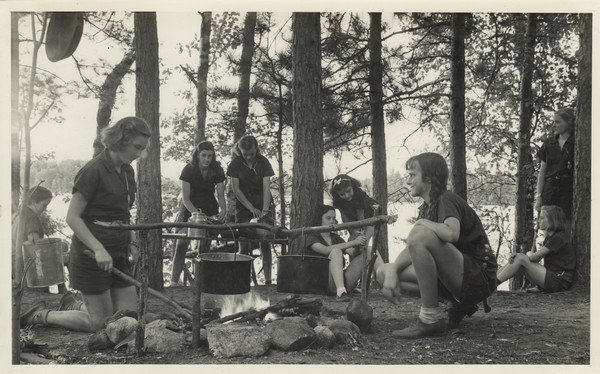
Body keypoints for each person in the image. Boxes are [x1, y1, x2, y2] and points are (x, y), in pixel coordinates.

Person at [20, 117, 152, 332]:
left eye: (143, 149)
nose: (140, 153)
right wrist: (98, 249)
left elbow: (124, 212)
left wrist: (133, 242)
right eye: (137, 147)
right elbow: (72, 217)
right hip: (92, 256)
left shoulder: (128, 171)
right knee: (101, 324)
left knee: (129, 319)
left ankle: (73, 304)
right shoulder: (93, 170)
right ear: (122, 139)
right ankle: (42, 315)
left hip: (117, 253)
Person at [377, 152, 497, 338]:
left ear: (429, 178)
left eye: (412, 175)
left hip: (478, 277)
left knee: (419, 233)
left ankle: (430, 319)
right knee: (384, 271)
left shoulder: (446, 199)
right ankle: (455, 305)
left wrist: (420, 225)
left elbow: (451, 233)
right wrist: (392, 271)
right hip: (457, 276)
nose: (408, 181)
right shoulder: (426, 208)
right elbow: (414, 247)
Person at [170, 141, 227, 286]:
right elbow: (186, 198)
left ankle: (200, 281)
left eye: (210, 155)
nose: (207, 159)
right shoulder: (189, 169)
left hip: (209, 206)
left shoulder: (217, 169)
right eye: (204, 155)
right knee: (182, 241)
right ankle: (174, 282)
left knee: (205, 242)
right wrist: (197, 215)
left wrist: (223, 210)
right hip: (190, 207)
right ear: (198, 155)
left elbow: (220, 195)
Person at [226, 135, 275, 284]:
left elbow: (266, 187)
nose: (248, 157)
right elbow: (236, 190)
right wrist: (251, 208)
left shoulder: (263, 162)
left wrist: (265, 211)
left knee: (265, 241)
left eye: (251, 154)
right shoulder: (235, 164)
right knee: (243, 242)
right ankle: (242, 279)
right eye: (244, 154)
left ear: (257, 149)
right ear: (239, 151)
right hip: (243, 206)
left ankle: (267, 280)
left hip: (263, 203)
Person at [497, 205, 576, 292]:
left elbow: (533, 257)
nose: (539, 221)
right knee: (518, 258)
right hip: (553, 278)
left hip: (559, 280)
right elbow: (535, 259)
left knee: (520, 258)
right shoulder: (551, 238)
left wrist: (528, 253)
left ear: (552, 220)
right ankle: (490, 282)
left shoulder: (558, 238)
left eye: (542, 218)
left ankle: (490, 286)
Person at [305, 205, 368, 300]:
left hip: (340, 281)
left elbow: (352, 253)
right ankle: (341, 292)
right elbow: (325, 250)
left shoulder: (335, 238)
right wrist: (353, 242)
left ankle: (389, 285)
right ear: (319, 219)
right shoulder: (312, 236)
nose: (331, 221)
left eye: (334, 218)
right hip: (321, 284)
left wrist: (358, 244)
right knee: (336, 252)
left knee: (369, 252)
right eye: (328, 218)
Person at [12, 186, 68, 293]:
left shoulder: (19, 213)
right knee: (62, 249)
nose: (45, 209)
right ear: (33, 201)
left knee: (62, 247)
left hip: (16, 260)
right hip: (27, 264)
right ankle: (62, 289)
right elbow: (35, 244)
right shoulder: (32, 217)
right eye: (44, 205)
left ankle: (62, 288)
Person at [330, 174, 385, 270]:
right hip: (353, 216)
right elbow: (345, 218)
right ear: (337, 194)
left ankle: (367, 269)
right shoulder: (338, 200)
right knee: (352, 242)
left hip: (369, 217)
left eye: (348, 191)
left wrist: (360, 234)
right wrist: (353, 233)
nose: (346, 195)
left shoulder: (359, 195)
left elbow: (361, 218)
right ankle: (355, 270)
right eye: (342, 194)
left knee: (363, 242)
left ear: (353, 186)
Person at [535, 108, 575, 221]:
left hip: (568, 191)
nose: (554, 125)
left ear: (568, 123)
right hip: (550, 190)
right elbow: (542, 171)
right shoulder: (549, 143)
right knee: (548, 225)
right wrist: (539, 196)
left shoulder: (576, 142)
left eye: (558, 122)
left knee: (565, 225)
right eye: (553, 122)